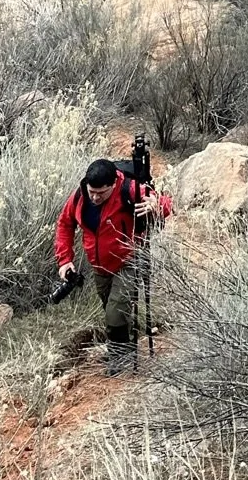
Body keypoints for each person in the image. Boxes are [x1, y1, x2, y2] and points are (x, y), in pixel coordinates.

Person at [54, 154, 172, 373]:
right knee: (112, 307)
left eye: (101, 193)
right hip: (100, 265)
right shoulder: (80, 196)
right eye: (92, 192)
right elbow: (65, 224)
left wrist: (157, 206)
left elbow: (165, 204)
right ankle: (124, 348)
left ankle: (119, 359)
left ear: (113, 184)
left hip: (130, 260)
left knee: (115, 312)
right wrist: (65, 260)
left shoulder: (130, 189)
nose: (95, 198)